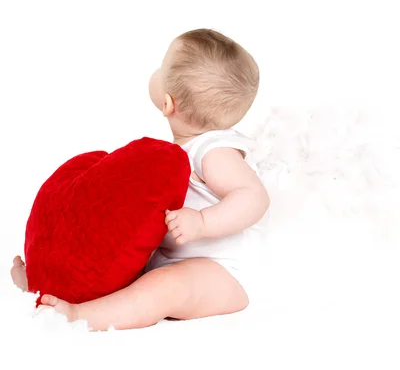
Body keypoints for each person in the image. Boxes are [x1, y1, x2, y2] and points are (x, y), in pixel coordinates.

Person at [11, 28, 270, 331]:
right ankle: (47, 285)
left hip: (222, 274)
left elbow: (254, 197)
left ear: (167, 103)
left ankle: (80, 316)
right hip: (167, 260)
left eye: (163, 68)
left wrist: (203, 222)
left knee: (164, 287)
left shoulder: (213, 151)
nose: (157, 71)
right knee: (115, 264)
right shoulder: (166, 157)